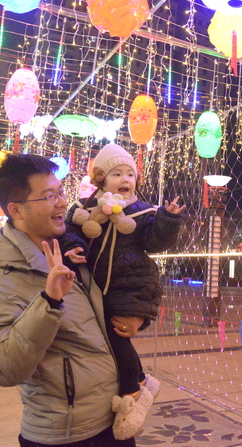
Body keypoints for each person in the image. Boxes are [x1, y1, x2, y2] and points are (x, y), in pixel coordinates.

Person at [0, 153, 138, 447]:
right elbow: (0, 367)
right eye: (49, 196)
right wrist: (48, 302)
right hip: (65, 436)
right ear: (17, 210)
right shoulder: (0, 278)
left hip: (110, 420)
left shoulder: (70, 250)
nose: (62, 202)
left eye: (61, 192)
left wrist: (136, 316)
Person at [63, 143, 184, 440]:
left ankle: (133, 394)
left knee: (116, 338)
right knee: (104, 338)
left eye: (130, 174)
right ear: (101, 178)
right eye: (117, 173)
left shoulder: (143, 212)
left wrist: (168, 219)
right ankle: (142, 381)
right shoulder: (83, 210)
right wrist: (73, 248)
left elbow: (155, 243)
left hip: (133, 285)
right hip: (95, 288)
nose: (125, 179)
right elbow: (69, 232)